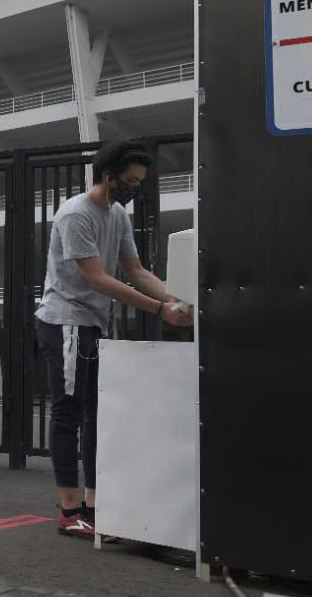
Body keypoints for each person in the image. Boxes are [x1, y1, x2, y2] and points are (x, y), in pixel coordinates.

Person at [35, 141, 194, 539]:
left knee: (97, 417)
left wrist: (177, 297)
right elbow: (99, 279)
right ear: (107, 176)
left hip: (93, 324)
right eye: (129, 181)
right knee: (69, 413)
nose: (134, 188)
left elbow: (136, 270)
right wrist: (159, 310)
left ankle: (94, 505)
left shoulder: (118, 214)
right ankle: (70, 513)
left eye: (139, 182)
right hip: (65, 322)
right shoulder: (75, 215)